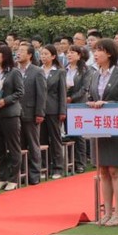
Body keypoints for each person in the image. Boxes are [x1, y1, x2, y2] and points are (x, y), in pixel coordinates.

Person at [88, 38, 118, 226]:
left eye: (99, 50)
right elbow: (90, 96)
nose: (96, 54)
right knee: (104, 171)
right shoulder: (94, 75)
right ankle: (106, 211)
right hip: (98, 127)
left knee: (115, 170)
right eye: (95, 50)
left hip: (115, 126)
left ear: (109, 54)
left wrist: (108, 105)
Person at [0, 44, 23, 190]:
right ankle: (2, 176)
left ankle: (14, 178)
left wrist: (5, 100)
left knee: (13, 146)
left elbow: (20, 92)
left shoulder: (14, 72)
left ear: (5, 55)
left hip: (10, 114)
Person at [16, 44, 47, 185]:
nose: (18, 53)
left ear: (29, 55)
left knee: (33, 144)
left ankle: (34, 173)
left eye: (22, 51)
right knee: (19, 144)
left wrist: (39, 112)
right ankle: (22, 173)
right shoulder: (15, 71)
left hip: (31, 112)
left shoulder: (37, 71)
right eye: (17, 51)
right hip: (16, 113)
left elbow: (41, 94)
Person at [40, 44, 68, 179]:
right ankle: (45, 166)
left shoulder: (59, 72)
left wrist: (62, 110)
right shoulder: (38, 70)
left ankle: (58, 167)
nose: (43, 57)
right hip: (40, 110)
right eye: (42, 54)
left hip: (54, 109)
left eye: (46, 54)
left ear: (53, 56)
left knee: (55, 138)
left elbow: (62, 93)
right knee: (42, 139)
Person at [65, 45, 91, 172]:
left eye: (72, 52)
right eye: (68, 52)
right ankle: (70, 162)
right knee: (69, 134)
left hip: (79, 105)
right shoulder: (64, 69)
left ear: (79, 55)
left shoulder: (85, 70)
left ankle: (81, 162)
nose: (69, 55)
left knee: (79, 135)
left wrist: (71, 98)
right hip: (66, 105)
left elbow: (84, 89)